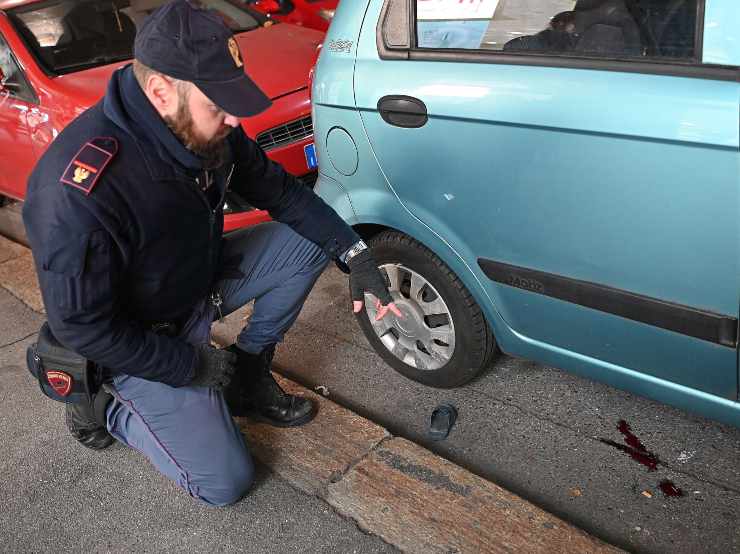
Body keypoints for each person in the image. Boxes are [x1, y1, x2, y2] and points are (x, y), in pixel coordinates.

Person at [22, 0, 400, 507]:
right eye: (217, 105)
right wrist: (188, 365)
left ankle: (247, 372)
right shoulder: (79, 194)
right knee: (226, 484)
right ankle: (101, 405)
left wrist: (356, 254)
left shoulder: (204, 127)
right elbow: (84, 327)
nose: (232, 118)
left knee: (309, 242)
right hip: (137, 337)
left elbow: (283, 194)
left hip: (195, 280)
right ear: (160, 91)